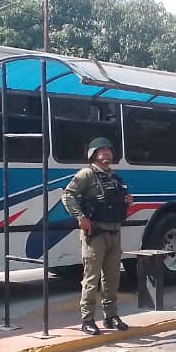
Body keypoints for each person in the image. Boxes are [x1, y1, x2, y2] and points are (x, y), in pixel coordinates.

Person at [62, 137, 133, 335]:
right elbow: (67, 195)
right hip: (95, 234)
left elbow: (116, 203)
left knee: (112, 279)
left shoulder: (115, 178)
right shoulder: (86, 174)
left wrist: (126, 201)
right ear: (93, 154)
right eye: (101, 150)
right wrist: (80, 217)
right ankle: (87, 320)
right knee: (91, 279)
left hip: (114, 232)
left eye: (108, 150)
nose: (106, 153)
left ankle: (110, 316)